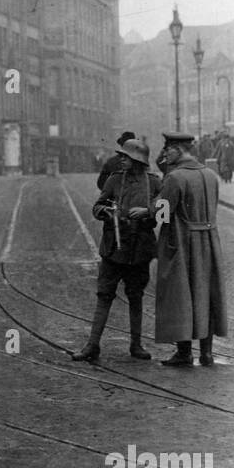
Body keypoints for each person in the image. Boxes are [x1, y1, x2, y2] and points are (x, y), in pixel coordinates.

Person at [73, 138, 160, 363]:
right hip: (113, 249)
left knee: (136, 297)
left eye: (125, 156)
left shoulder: (154, 183)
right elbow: (97, 206)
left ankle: (136, 344)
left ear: (137, 160)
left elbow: (165, 212)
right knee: (104, 296)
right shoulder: (113, 180)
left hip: (139, 249)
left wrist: (147, 212)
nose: (120, 159)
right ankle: (92, 345)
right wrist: (106, 212)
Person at [153, 131, 228, 367]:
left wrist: (152, 205)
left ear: (177, 150)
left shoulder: (174, 178)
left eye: (167, 149)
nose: (164, 153)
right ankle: (206, 353)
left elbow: (162, 215)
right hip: (209, 241)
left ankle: (184, 353)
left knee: (180, 294)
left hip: (182, 242)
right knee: (206, 294)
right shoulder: (210, 175)